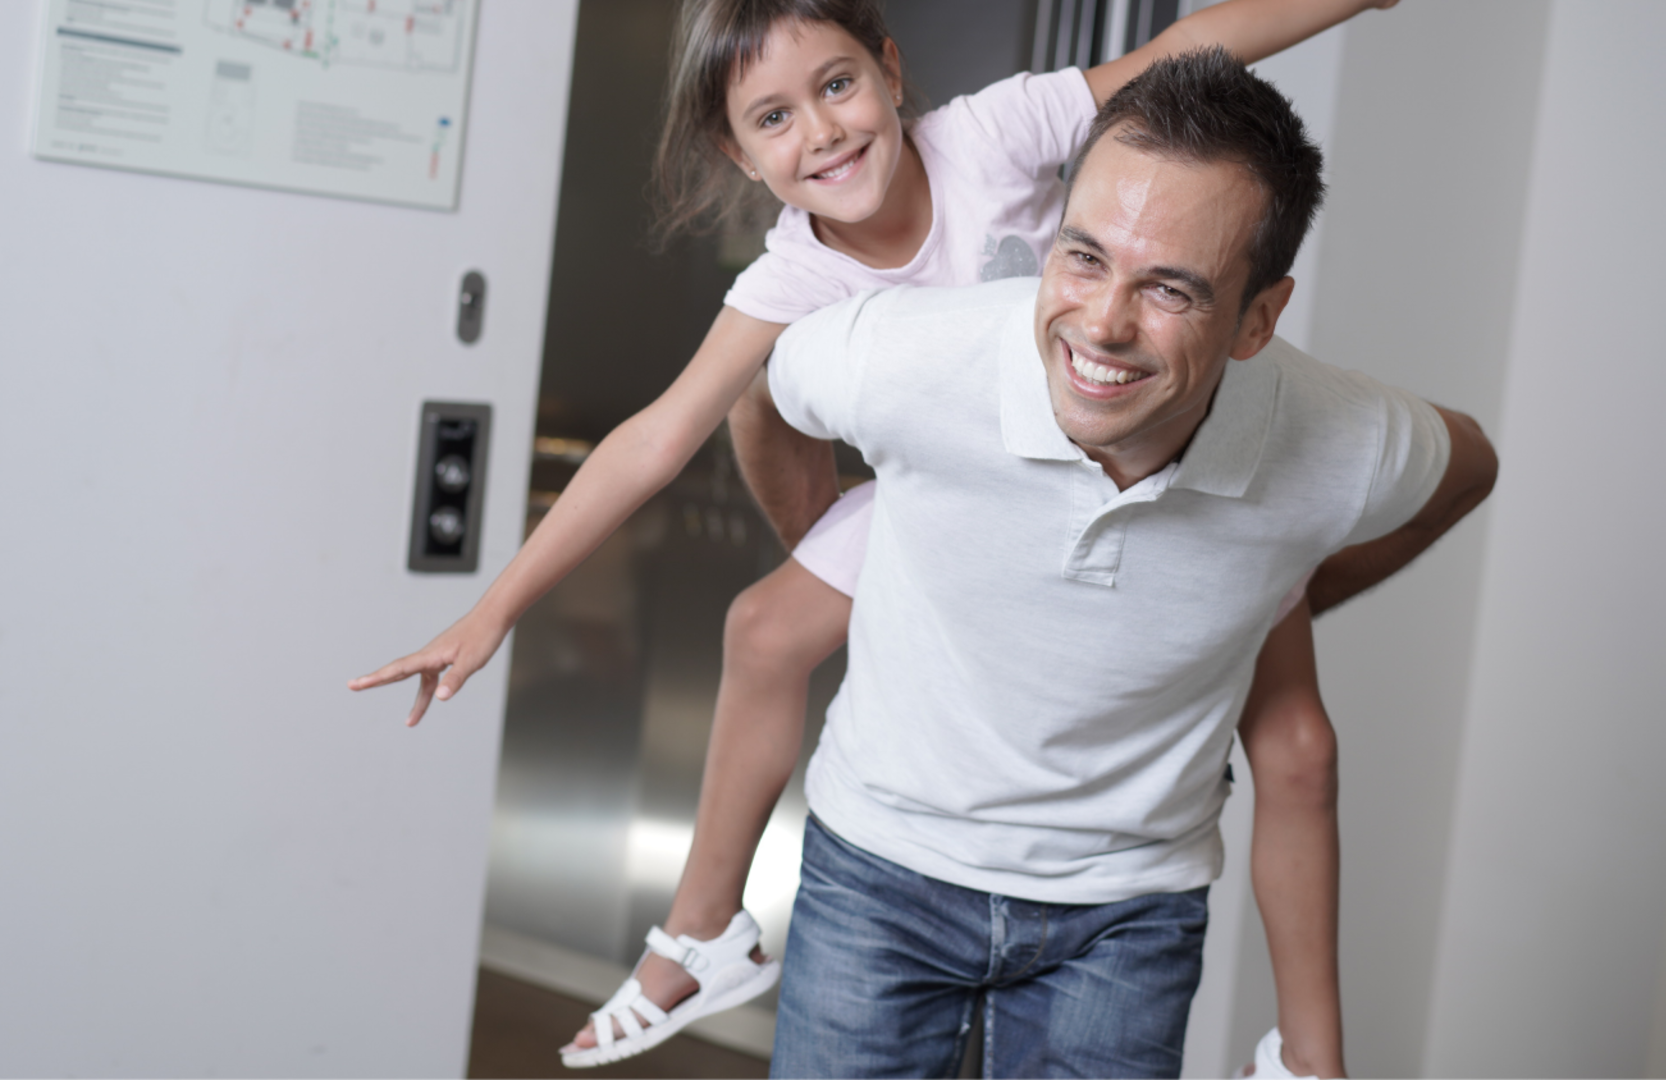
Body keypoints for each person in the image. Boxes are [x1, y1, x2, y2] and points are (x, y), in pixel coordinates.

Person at [347, 0, 1414, 1073]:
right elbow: (656, 438)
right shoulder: (789, 278)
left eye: (837, 85)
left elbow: (1174, 53)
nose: (821, 131)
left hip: (1138, 463)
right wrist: (492, 614)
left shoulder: (990, 134)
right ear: (739, 152)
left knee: (1297, 744)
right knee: (764, 629)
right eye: (772, 118)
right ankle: (703, 930)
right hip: (956, 501)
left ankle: (1308, 1055)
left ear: (892, 70)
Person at [755, 48, 1495, 1080]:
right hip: (882, 864)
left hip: (1126, 913)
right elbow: (769, 387)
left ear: (1258, 320)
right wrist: (826, 540)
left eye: (1171, 289)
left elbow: (1470, 467)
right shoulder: (904, 359)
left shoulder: (1341, 439)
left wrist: (1285, 590)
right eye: (1084, 257)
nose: (1102, 325)